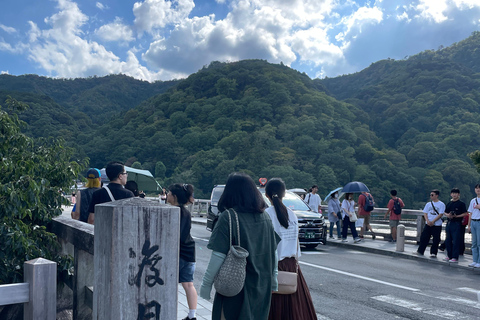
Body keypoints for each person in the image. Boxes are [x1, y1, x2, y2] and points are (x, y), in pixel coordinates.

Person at [200, 172, 279, 320]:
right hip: (262, 287)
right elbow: (273, 252)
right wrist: (274, 278)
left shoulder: (228, 217)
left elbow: (218, 256)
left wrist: (206, 285)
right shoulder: (265, 217)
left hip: (236, 289)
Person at [264, 178, 317, 320]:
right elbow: (296, 245)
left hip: (273, 267)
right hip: (292, 267)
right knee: (295, 308)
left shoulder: (266, 215)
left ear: (267, 195)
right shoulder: (292, 214)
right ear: (283, 194)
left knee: (273, 309)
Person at [167, 183, 198, 320]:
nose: (166, 195)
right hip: (189, 252)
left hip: (178, 253)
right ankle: (192, 316)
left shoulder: (175, 212)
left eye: (168, 193)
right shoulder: (185, 211)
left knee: (169, 283)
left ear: (174, 196)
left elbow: (175, 235)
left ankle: (168, 312)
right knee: (188, 284)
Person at [415, 189, 445, 257]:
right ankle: (420, 251)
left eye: (432, 195)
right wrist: (427, 221)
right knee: (424, 237)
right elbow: (425, 213)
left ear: (437, 195)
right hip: (428, 223)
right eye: (430, 195)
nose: (431, 196)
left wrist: (433, 221)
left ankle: (433, 252)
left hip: (437, 224)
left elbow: (440, 214)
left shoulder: (441, 204)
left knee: (436, 239)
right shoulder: (428, 204)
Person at [443, 188, 468, 263]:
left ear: (458, 194)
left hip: (457, 223)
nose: (454, 195)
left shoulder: (461, 204)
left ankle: (455, 256)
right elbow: (445, 212)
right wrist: (448, 215)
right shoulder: (449, 203)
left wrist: (456, 216)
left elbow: (465, 213)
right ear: (451, 194)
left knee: (456, 240)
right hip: (449, 222)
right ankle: (449, 255)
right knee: (448, 240)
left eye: (456, 193)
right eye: (453, 193)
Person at [467, 184, 480, 268]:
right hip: (473, 222)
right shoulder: (473, 200)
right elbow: (470, 213)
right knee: (474, 243)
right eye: (476, 188)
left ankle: (479, 261)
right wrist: (469, 225)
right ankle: (474, 260)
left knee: (479, 243)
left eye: (479, 188)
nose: (478, 190)